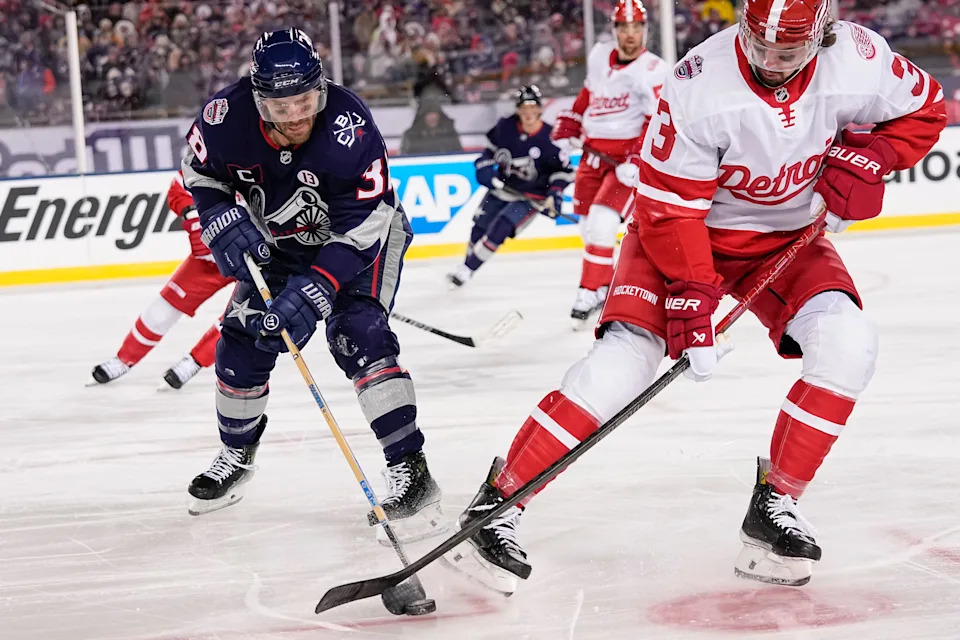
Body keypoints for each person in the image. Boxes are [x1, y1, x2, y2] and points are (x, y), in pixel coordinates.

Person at [446, 0, 946, 595]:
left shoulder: (859, 60)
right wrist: (691, 297)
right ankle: (500, 504)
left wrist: (877, 155)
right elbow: (666, 208)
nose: (768, 61)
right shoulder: (700, 82)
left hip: (784, 239)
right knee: (622, 367)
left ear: (822, 38)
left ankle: (775, 506)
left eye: (786, 51)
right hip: (683, 236)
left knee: (849, 345)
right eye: (757, 44)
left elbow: (927, 110)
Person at [181, 29, 445, 546]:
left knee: (358, 332)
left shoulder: (351, 126)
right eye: (282, 107)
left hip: (361, 238)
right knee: (243, 341)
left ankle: (412, 472)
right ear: (259, 100)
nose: (296, 116)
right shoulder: (223, 118)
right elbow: (198, 169)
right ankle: (237, 453)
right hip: (278, 245)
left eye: (304, 101)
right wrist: (217, 214)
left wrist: (319, 287)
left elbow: (365, 224)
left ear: (320, 88)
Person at [550, 0, 668, 328]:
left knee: (603, 222)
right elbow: (588, 95)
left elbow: (659, 120)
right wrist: (571, 123)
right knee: (589, 229)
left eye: (636, 27)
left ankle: (588, 290)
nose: (630, 34)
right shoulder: (600, 56)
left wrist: (636, 157)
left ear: (645, 30)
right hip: (591, 156)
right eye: (624, 27)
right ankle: (605, 286)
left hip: (624, 162)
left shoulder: (654, 69)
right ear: (615, 30)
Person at [90, 174, 231, 390]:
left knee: (238, 318)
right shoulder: (217, 146)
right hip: (213, 253)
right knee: (162, 310)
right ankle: (123, 360)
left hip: (262, 257)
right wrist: (192, 215)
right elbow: (179, 187)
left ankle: (194, 362)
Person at [447, 85, 574, 287]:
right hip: (502, 188)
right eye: (524, 108)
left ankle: (468, 270)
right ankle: (465, 266)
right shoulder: (505, 127)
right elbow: (488, 153)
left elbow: (564, 172)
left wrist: (555, 194)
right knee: (479, 226)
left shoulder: (551, 139)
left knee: (501, 227)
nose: (528, 113)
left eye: (533, 107)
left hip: (531, 197)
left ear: (540, 109)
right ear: (518, 110)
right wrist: (486, 169)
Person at [399, 94, 464, 155]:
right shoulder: (411, 135)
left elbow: (459, 154)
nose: (432, 117)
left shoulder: (449, 132)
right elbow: (403, 157)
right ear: (423, 116)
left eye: (435, 113)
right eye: (429, 114)